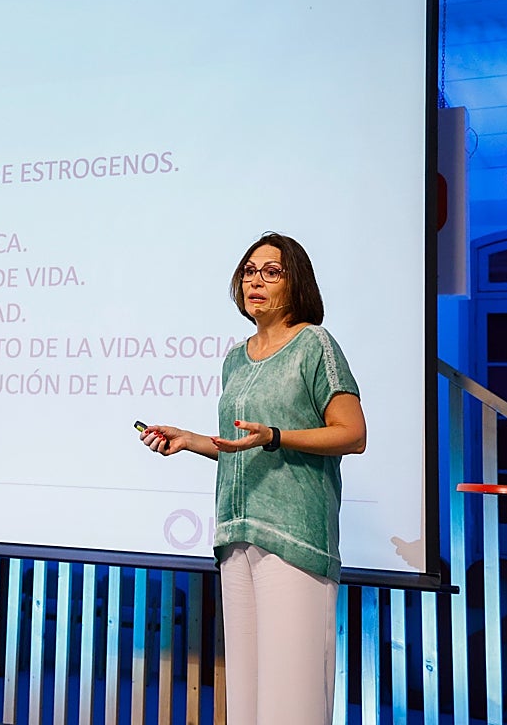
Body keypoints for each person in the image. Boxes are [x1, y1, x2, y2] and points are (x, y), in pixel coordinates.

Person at [139, 232, 366, 725]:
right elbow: (243, 446)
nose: (255, 280)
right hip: (236, 531)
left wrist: (278, 436)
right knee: (245, 697)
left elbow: (353, 433)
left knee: (291, 699)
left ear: (294, 283)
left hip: (295, 535)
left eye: (271, 271)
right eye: (248, 270)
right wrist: (190, 439)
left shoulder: (315, 344)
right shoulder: (235, 358)